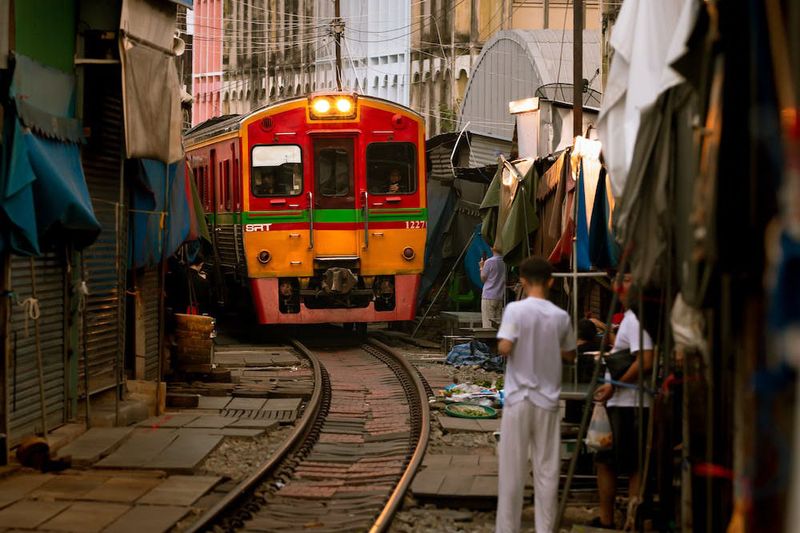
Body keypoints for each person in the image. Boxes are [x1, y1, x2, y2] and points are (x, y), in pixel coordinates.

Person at [495, 257, 577, 533]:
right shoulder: (561, 317)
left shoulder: (515, 310)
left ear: (523, 281)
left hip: (518, 399)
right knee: (547, 470)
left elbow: (505, 347)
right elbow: (570, 354)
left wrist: (513, 341)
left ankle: (508, 529)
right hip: (547, 401)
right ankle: (545, 529)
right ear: (552, 281)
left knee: (512, 470)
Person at [592, 272, 654, 530]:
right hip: (620, 403)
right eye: (619, 278)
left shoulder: (638, 318)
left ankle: (630, 520)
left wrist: (613, 386)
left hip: (629, 404)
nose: (619, 285)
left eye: (627, 279)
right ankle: (610, 519)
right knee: (605, 460)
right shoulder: (630, 318)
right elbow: (629, 351)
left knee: (629, 465)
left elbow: (646, 361)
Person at [479, 247, 506, 328]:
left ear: (492, 248)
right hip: (500, 296)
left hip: (488, 296)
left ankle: (487, 340)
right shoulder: (505, 262)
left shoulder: (489, 261)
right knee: (497, 324)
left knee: (488, 324)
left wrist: (481, 267)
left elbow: (483, 278)